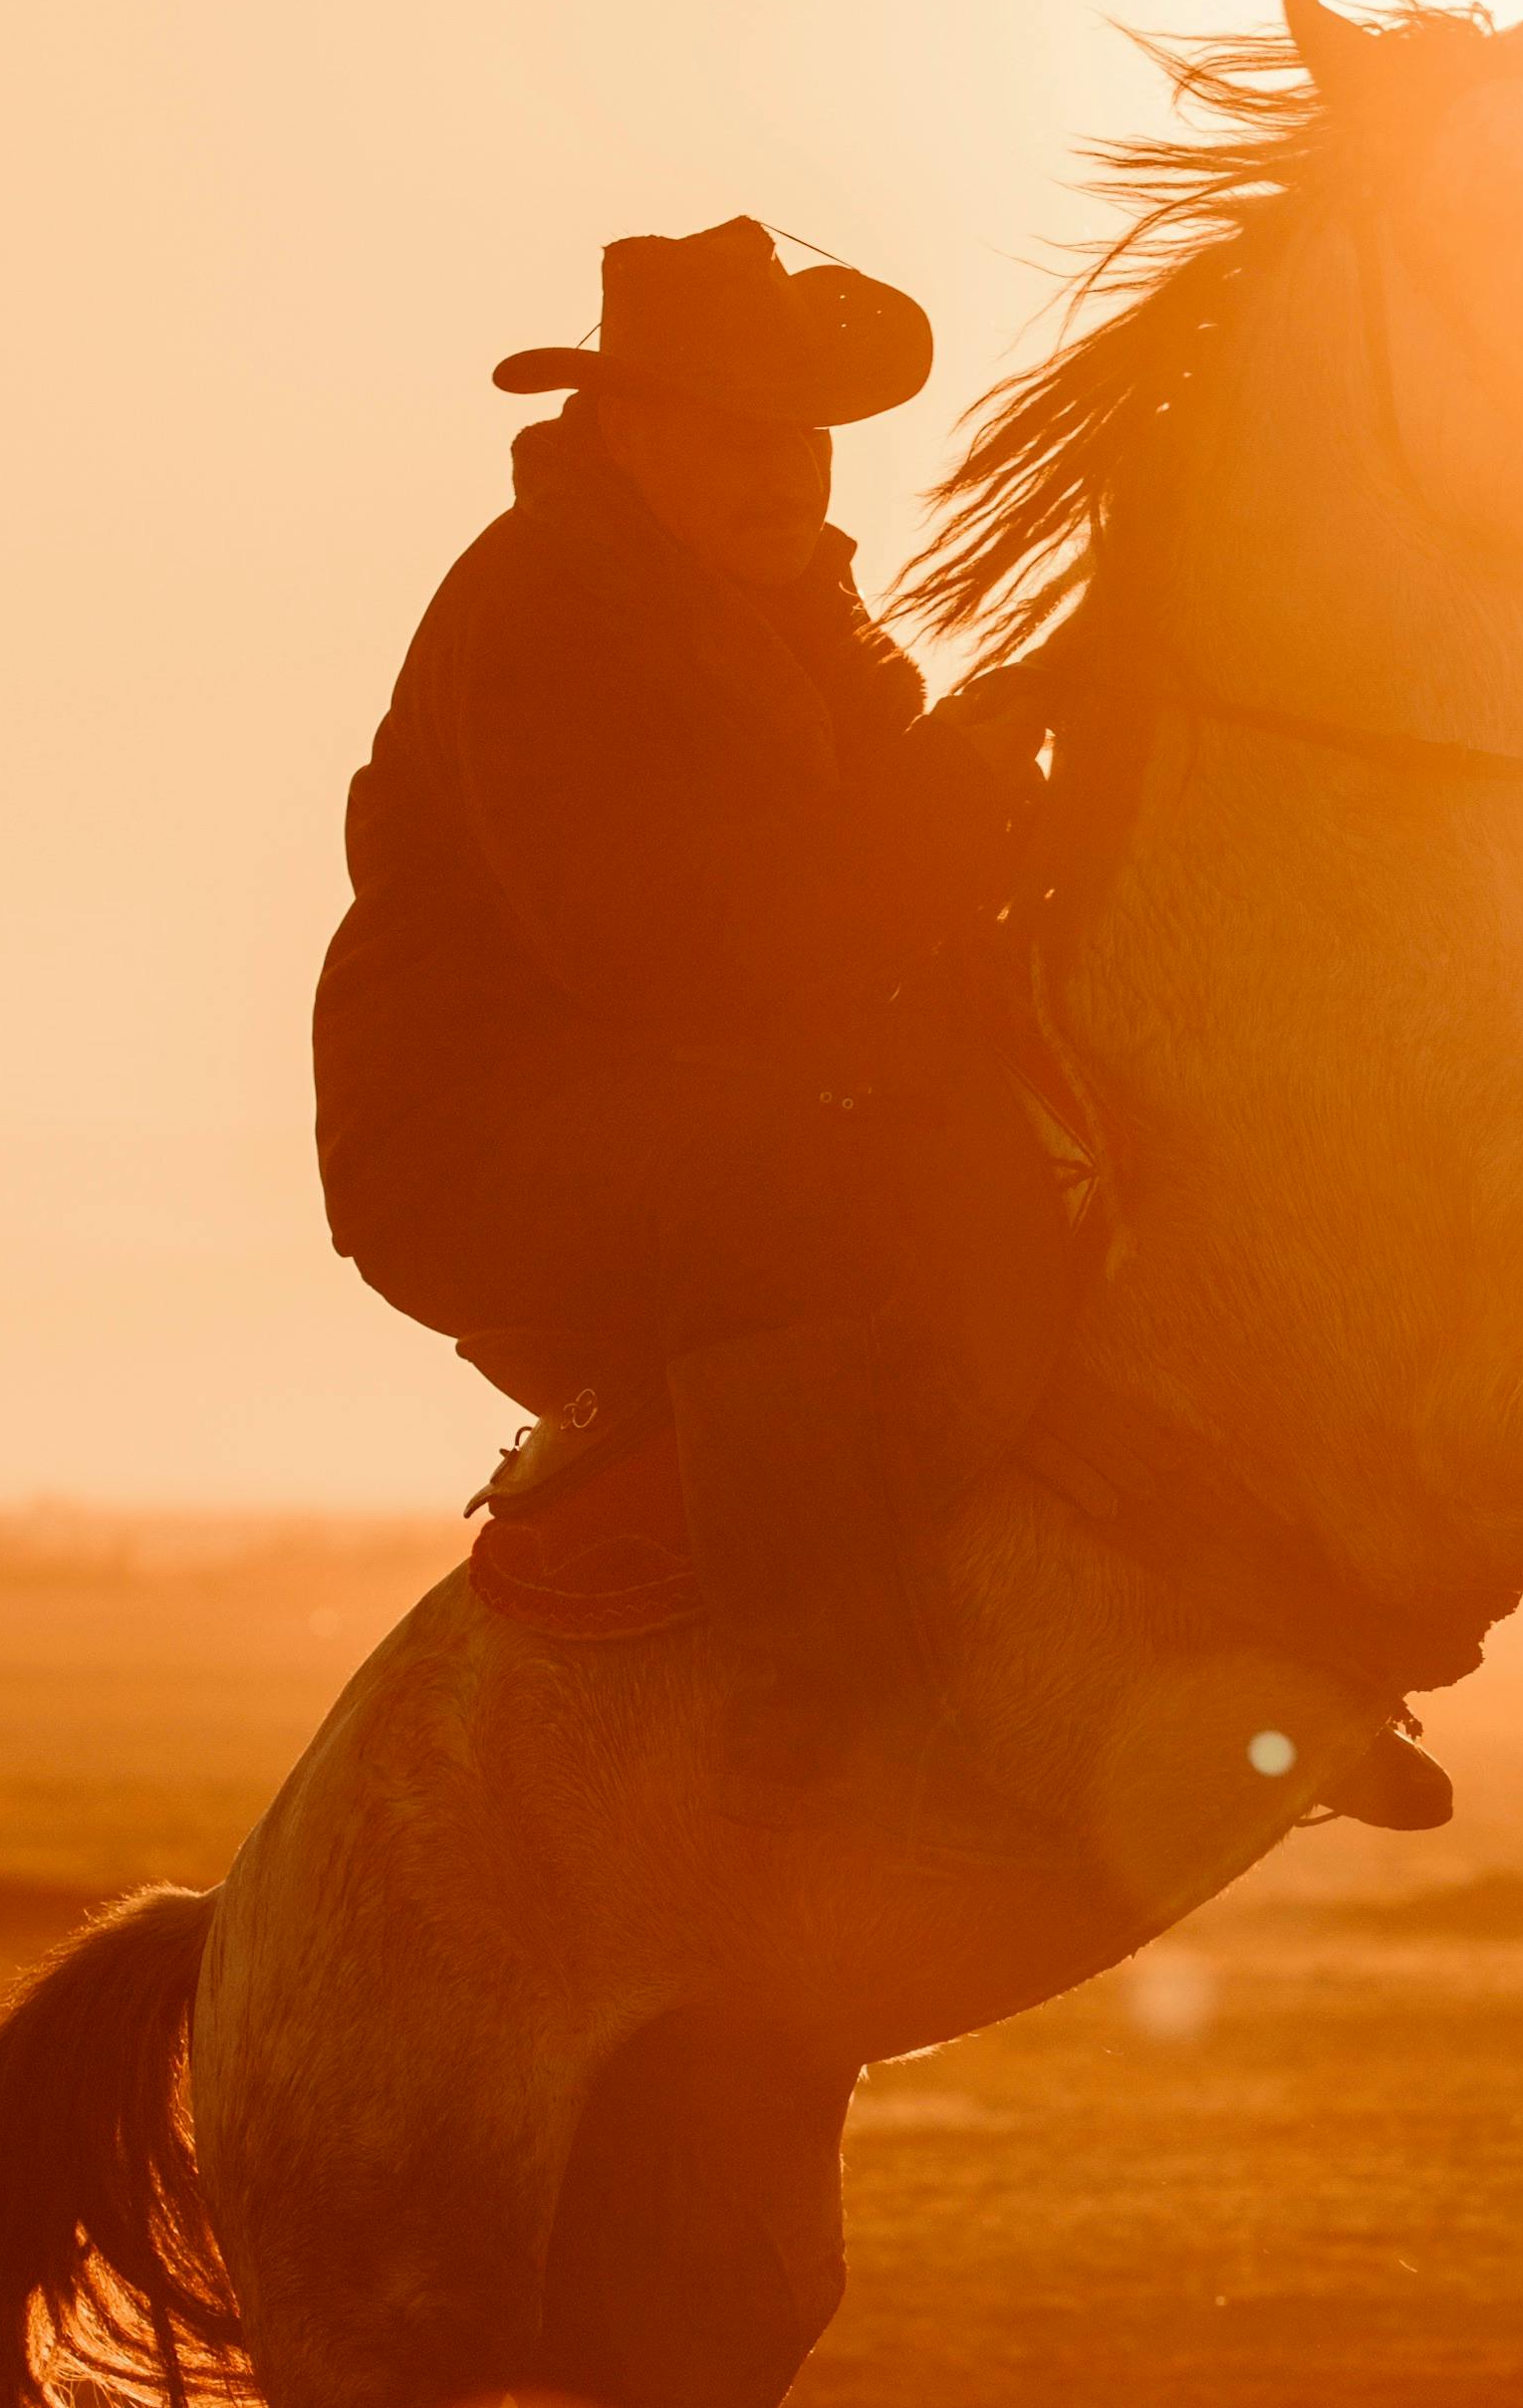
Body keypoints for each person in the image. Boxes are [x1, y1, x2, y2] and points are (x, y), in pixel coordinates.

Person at [313, 217, 1041, 1733]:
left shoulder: (778, 594)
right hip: (481, 1138)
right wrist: (970, 798)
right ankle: (835, 1709)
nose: (786, 469)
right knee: (808, 1198)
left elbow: (887, 832)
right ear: (626, 428)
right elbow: (677, 950)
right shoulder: (546, 609)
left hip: (652, 1085)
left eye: (805, 434)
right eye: (736, 430)